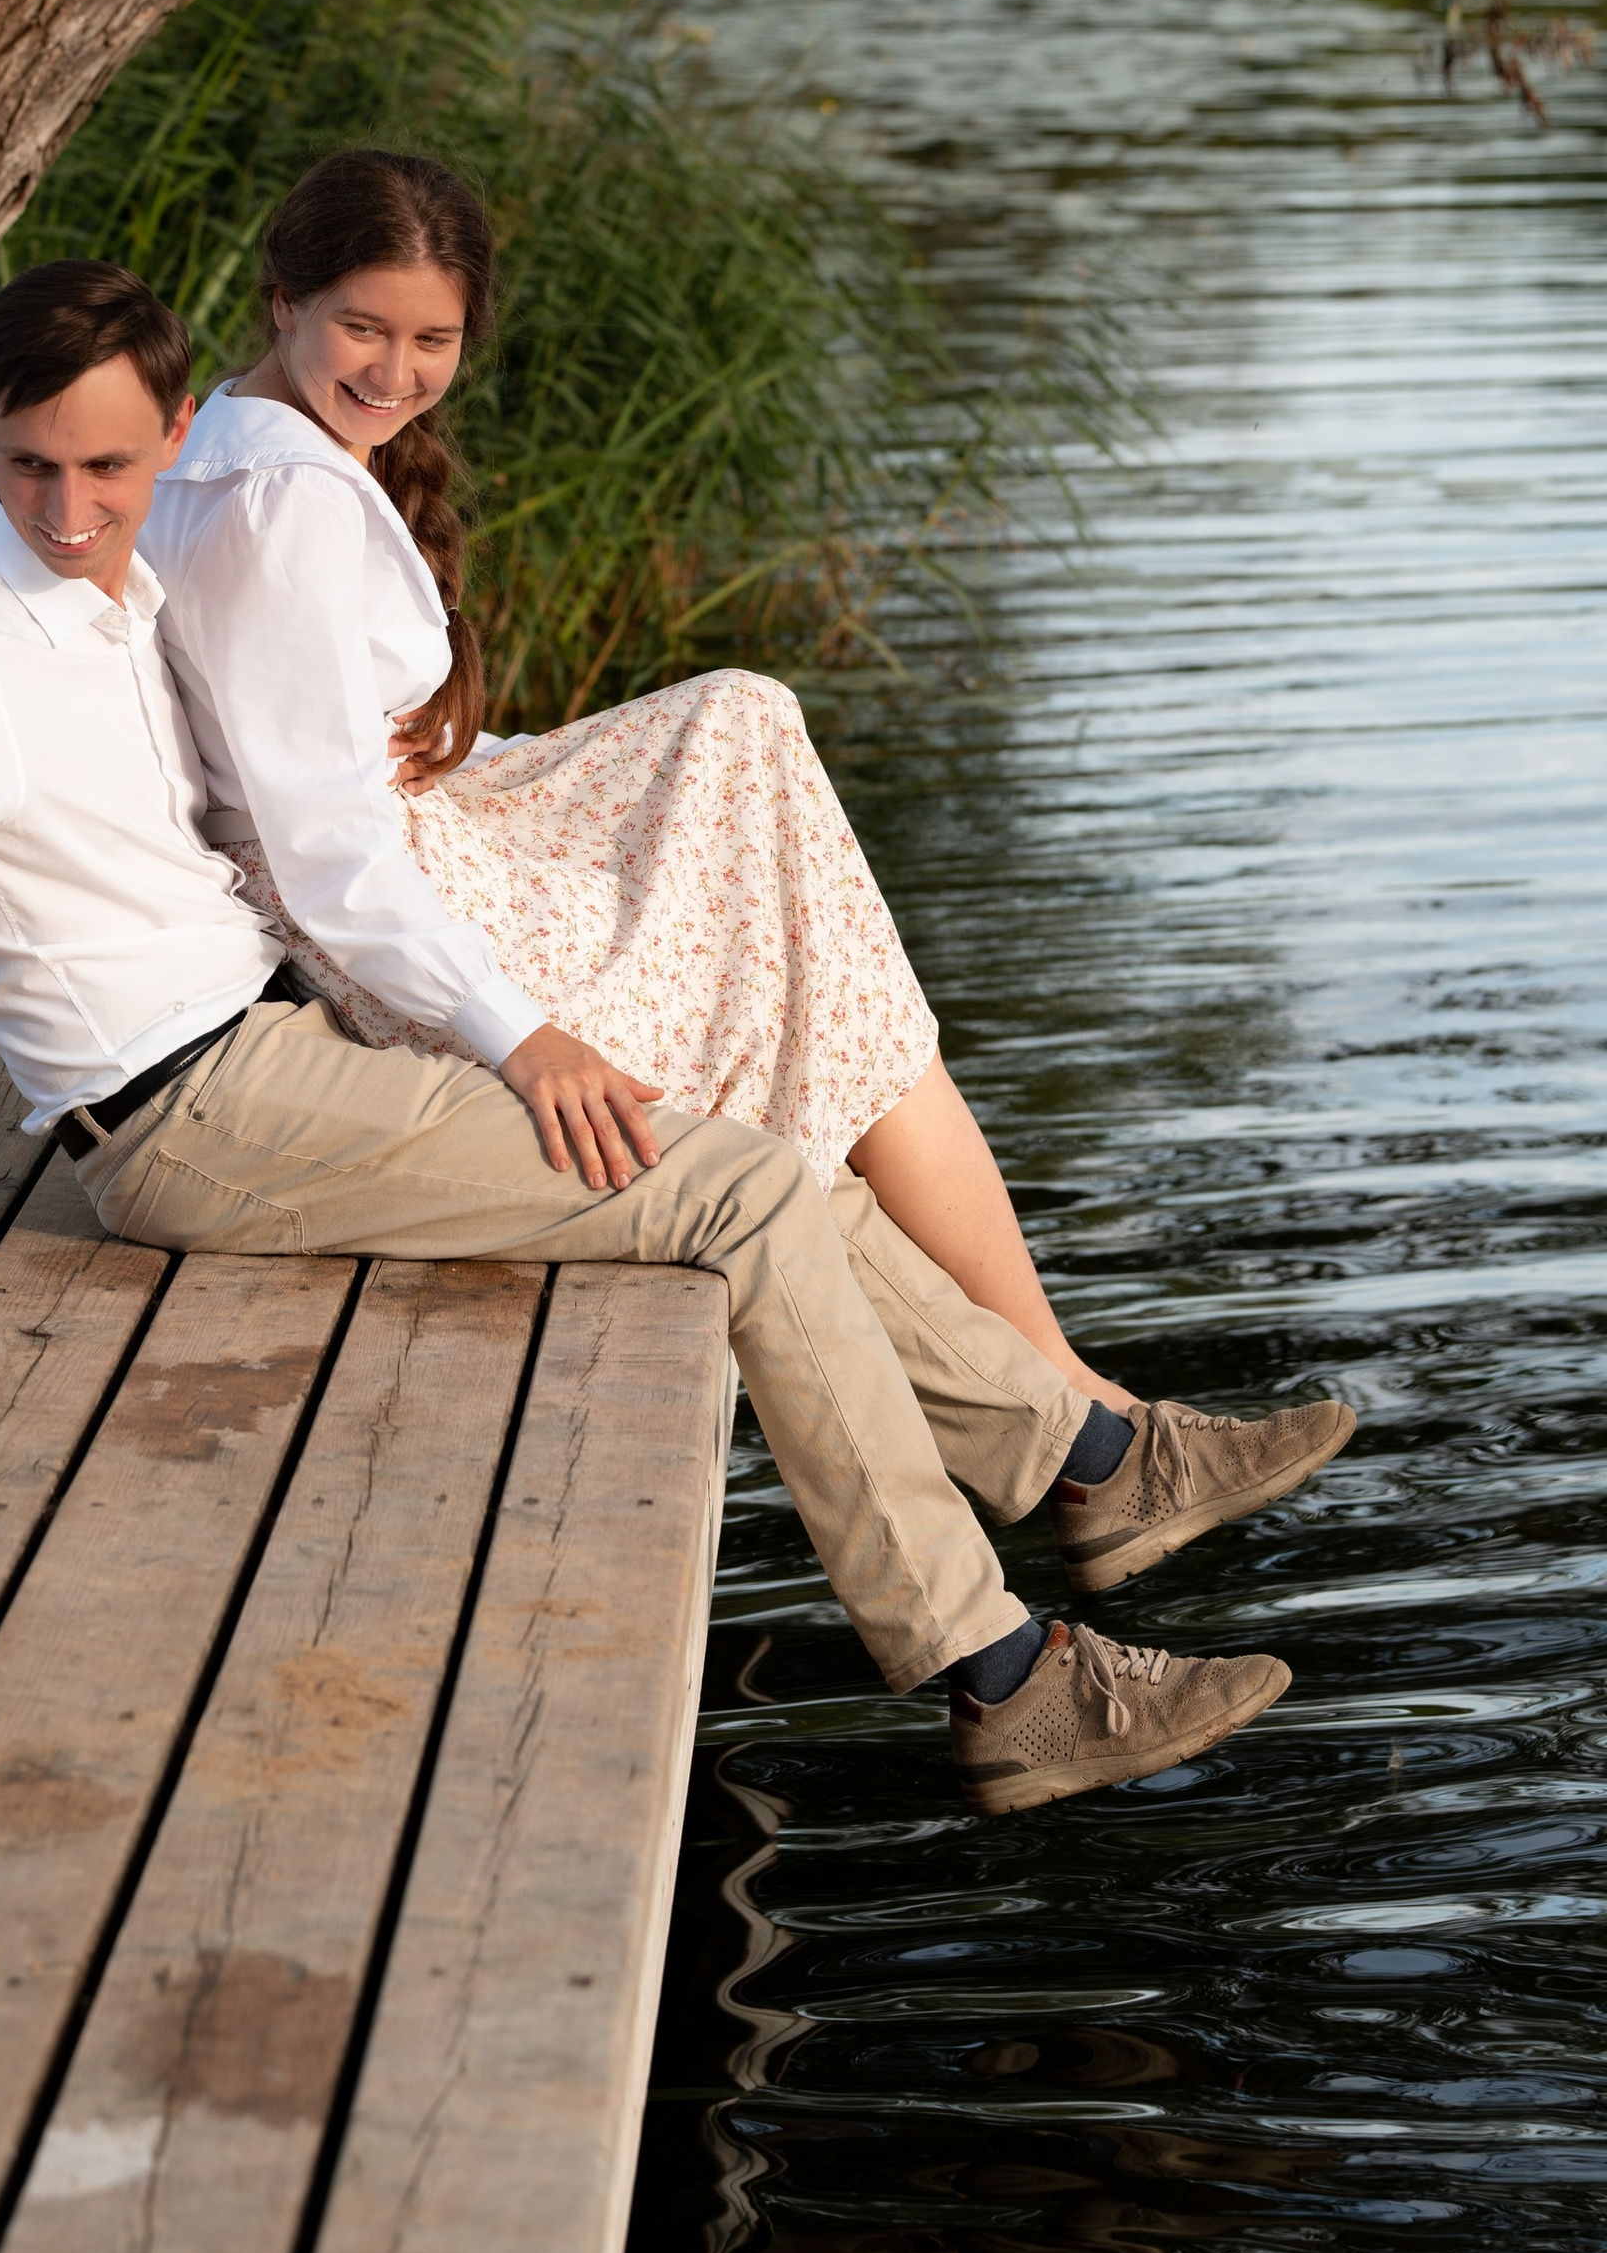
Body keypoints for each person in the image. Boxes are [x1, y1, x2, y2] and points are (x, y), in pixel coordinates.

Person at [0, 258, 1313, 1816]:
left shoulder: (128, 578)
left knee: (729, 1153)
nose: (71, 506)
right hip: (194, 1114)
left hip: (270, 1049)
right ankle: (1003, 1682)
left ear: (184, 432)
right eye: (27, 466)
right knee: (742, 1201)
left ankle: (1092, 1462)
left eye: (111, 464)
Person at [145, 146, 1353, 1558]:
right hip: (400, 924)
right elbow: (333, 850)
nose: (395, 370)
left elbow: (321, 750)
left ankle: (1091, 1435)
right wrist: (519, 1034)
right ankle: (1091, 1422)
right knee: (810, 947)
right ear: (282, 300)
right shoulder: (288, 499)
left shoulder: (230, 436)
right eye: (363, 326)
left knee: (749, 744)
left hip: (417, 843)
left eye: (433, 339)